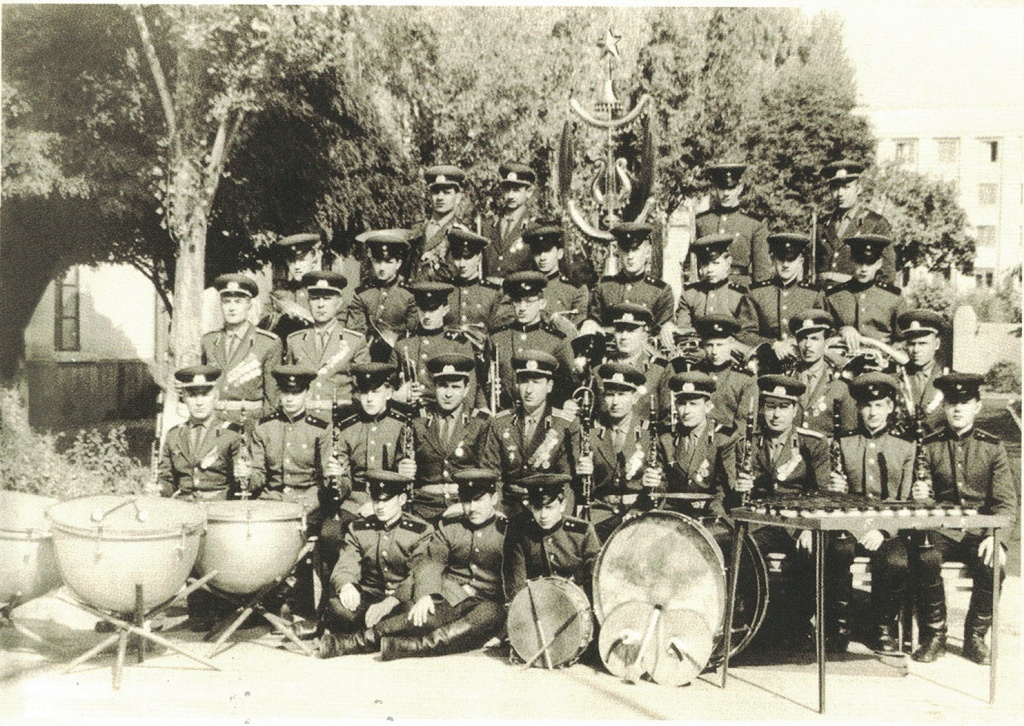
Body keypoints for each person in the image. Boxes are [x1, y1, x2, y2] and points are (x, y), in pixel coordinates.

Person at [909, 373, 1017, 664]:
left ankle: (975, 637)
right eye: (952, 402)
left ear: (977, 406)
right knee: (925, 556)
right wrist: (921, 495)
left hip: (979, 532)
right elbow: (920, 496)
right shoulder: (929, 445)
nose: (958, 408)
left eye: (965, 402)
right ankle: (934, 636)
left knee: (993, 564)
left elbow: (1006, 503)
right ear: (944, 407)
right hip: (942, 529)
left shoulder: (991, 447)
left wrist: (997, 539)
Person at [733, 374, 830, 645]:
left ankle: (798, 624)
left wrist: (809, 526)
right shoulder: (747, 443)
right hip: (762, 522)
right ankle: (755, 622)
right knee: (743, 550)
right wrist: (741, 487)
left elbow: (821, 492)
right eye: (770, 407)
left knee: (810, 553)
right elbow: (739, 495)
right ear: (762, 408)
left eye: (784, 407)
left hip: (798, 523)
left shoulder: (813, 444)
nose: (776, 415)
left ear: (795, 410)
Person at [377, 469, 508, 661]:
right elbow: (431, 563)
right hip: (454, 599)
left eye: (479, 500)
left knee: (489, 614)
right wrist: (427, 594)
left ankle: (407, 647)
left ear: (494, 499)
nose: (472, 508)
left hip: (488, 607)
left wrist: (506, 630)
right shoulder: (451, 528)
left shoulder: (507, 531)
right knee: (420, 616)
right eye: (466, 501)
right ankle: (353, 641)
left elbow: (516, 580)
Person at [828, 372, 915, 654]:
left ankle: (883, 627)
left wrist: (883, 530)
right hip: (851, 523)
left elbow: (904, 500)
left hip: (889, 527)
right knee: (836, 551)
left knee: (895, 561)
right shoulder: (844, 442)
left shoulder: (906, 446)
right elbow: (836, 495)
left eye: (879, 405)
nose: (873, 412)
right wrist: (835, 490)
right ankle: (839, 626)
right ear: (859, 408)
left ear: (890, 407)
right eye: (867, 406)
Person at [249, 365, 342, 621]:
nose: (290, 398)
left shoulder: (321, 428)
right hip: (272, 502)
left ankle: (296, 601)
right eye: (285, 392)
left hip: (307, 503)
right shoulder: (264, 427)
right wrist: (246, 475)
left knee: (302, 536)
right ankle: (262, 599)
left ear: (307, 394)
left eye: (296, 392)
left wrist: (331, 477)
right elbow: (258, 477)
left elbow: (326, 480)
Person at [318, 470, 434, 657]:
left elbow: (419, 574)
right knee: (337, 608)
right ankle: (387, 638)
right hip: (371, 596)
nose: (379, 506)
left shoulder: (421, 531)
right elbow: (346, 564)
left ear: (402, 499)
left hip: (402, 599)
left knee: (420, 617)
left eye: (386, 500)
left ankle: (356, 640)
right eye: (376, 500)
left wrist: (390, 602)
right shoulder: (359, 529)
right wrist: (347, 586)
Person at [479, 350, 582, 518]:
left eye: (536, 382)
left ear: (549, 386)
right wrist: (497, 513)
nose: (529, 389)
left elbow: (567, 482)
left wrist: (560, 517)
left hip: (546, 510)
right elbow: (490, 476)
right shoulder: (500, 423)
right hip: (507, 508)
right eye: (524, 381)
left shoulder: (564, 425)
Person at [398, 354, 491, 524]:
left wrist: (467, 505)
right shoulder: (417, 421)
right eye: (443, 386)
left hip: (464, 506)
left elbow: (488, 474)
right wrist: (402, 468)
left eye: (455, 387)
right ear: (434, 387)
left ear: (466, 389)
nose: (448, 394)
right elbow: (401, 464)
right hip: (423, 507)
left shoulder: (480, 423)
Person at [575, 362, 657, 540]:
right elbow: (583, 488)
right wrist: (582, 472)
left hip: (639, 511)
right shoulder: (590, 431)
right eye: (610, 394)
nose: (615, 402)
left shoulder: (648, 433)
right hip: (601, 514)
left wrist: (642, 504)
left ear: (634, 397)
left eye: (622, 394)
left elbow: (661, 481)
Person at [644, 371, 738, 520]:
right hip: (673, 514)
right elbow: (662, 484)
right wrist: (653, 482)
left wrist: (713, 516)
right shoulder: (666, 438)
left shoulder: (723, 439)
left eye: (693, 404)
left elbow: (724, 488)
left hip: (709, 515)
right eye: (682, 403)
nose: (686, 411)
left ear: (708, 406)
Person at [502, 473, 601, 603]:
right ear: (530, 506)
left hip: (577, 603)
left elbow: (595, 578)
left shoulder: (582, 532)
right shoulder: (520, 533)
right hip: (537, 604)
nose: (543, 515)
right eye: (537, 508)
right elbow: (516, 584)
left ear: (562, 505)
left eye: (549, 508)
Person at [202, 273, 283, 428]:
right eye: (226, 302)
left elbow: (272, 400)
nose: (232, 308)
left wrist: (261, 430)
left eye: (238, 302)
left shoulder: (267, 343)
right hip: (214, 424)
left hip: (248, 424)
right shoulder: (209, 341)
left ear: (249, 305)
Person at [488, 271, 578, 409]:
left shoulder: (557, 341)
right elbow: (483, 380)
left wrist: (564, 402)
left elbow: (567, 384)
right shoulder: (497, 338)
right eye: (518, 302)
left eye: (529, 302)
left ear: (542, 303)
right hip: (504, 412)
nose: (522, 308)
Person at [334, 362, 413, 519]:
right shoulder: (347, 428)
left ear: (388, 394)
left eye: (375, 392)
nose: (369, 399)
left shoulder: (402, 426)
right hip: (353, 503)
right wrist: (336, 483)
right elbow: (343, 477)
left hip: (389, 502)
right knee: (331, 530)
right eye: (364, 393)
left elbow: (403, 476)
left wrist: (378, 504)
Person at [157, 365, 248, 501]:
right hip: (182, 506)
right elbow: (166, 479)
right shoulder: (174, 435)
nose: (199, 402)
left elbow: (244, 481)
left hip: (219, 507)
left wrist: (245, 474)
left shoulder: (231, 434)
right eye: (192, 396)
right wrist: (158, 489)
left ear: (215, 397)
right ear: (184, 398)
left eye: (205, 395)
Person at [286, 271, 370, 417]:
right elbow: (288, 385)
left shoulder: (354, 341)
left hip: (340, 418)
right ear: (308, 302)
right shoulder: (295, 340)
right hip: (304, 419)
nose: (320, 305)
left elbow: (363, 389)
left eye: (327, 299)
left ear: (339, 303)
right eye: (315, 299)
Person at [394, 282, 480, 410]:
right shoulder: (403, 343)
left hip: (444, 413)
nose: (426, 316)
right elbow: (387, 385)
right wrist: (396, 395)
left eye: (433, 310)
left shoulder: (458, 343)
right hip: (409, 412)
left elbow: (469, 388)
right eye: (423, 310)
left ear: (445, 310)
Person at [747, 233, 826, 367]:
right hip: (766, 363)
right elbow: (745, 332)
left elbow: (823, 331)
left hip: (802, 363)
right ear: (773, 259)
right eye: (781, 259)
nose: (785, 265)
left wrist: (797, 342)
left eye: (791, 260)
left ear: (801, 261)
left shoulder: (813, 294)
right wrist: (773, 344)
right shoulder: (756, 293)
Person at [583, 222, 675, 336]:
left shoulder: (661, 291)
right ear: (618, 251)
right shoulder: (604, 287)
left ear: (647, 252)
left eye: (635, 250)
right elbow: (594, 319)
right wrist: (590, 323)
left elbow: (662, 331)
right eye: (625, 250)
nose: (630, 256)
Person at [667, 233, 758, 347]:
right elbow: (683, 330)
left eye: (716, 263)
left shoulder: (739, 295)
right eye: (705, 264)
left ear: (728, 262)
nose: (710, 269)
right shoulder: (691, 294)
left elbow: (748, 334)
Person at [817, 160, 895, 288]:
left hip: (854, 295)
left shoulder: (874, 223)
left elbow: (886, 274)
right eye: (835, 187)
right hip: (822, 295)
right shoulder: (821, 224)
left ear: (858, 189)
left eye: (846, 187)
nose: (840, 193)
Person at [694, 162, 771, 287]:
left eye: (731, 188)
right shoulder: (702, 221)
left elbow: (762, 272)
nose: (726, 193)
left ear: (739, 188)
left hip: (741, 289)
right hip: (708, 288)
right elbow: (696, 265)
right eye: (721, 188)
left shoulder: (755, 224)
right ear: (715, 188)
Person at [825, 234, 907, 347]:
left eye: (870, 263)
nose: (864, 269)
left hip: (881, 356)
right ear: (852, 261)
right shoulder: (834, 296)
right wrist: (842, 330)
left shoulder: (894, 297)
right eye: (859, 262)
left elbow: (903, 339)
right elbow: (823, 334)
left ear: (879, 263)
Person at [789, 310, 858, 435]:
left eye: (815, 338)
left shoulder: (840, 383)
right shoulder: (788, 378)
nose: (808, 345)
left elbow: (849, 434)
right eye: (803, 339)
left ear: (826, 342)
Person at [600, 303, 667, 419]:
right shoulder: (600, 367)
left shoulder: (659, 369)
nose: (624, 337)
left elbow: (668, 415)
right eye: (619, 330)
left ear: (644, 334)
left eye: (631, 331)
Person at [693, 314, 758, 434]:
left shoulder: (745, 378)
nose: (714, 352)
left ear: (731, 344)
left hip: (728, 442)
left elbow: (744, 425)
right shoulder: (694, 373)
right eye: (709, 345)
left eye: (720, 345)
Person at [346, 230, 418, 338]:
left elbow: (413, 333)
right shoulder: (362, 294)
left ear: (398, 264)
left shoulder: (409, 295)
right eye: (378, 261)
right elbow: (356, 333)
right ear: (372, 261)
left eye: (388, 262)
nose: (382, 268)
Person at [445, 226, 511, 333]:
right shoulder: (445, 291)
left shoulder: (494, 292)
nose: (461, 264)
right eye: (457, 257)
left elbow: (500, 331)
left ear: (479, 257)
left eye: (467, 257)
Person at [259, 232, 323, 343]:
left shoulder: (324, 293)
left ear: (314, 261)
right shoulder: (278, 295)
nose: (297, 266)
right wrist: (279, 320)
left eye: (302, 259)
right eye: (292, 261)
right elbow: (263, 333)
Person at [481, 161, 539, 281]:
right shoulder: (488, 227)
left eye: (516, 190)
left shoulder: (534, 230)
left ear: (528, 192)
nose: (511, 196)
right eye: (507, 190)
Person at [524, 223, 588, 329]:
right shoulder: (521, 286)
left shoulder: (576, 289)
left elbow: (576, 330)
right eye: (537, 252)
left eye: (547, 251)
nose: (542, 257)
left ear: (560, 253)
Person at [896, 309, 947, 434]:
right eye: (911, 344)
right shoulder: (896, 379)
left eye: (923, 344)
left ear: (936, 344)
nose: (916, 350)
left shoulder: (948, 377)